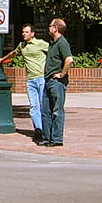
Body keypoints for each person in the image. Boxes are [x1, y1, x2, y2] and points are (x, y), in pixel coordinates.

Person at [0, 23, 48, 143]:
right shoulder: (22, 46)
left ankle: (46, 130)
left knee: (43, 105)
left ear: (32, 34)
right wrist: (1, 59)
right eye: (23, 32)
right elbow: (13, 53)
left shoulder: (41, 44)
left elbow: (53, 53)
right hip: (30, 80)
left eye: (26, 32)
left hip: (42, 78)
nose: (24, 34)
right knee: (34, 106)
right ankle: (38, 130)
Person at [40, 18, 73, 147]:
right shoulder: (52, 43)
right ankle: (47, 138)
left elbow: (69, 60)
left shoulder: (62, 43)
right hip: (48, 80)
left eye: (50, 26)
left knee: (57, 111)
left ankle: (57, 139)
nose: (48, 28)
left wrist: (62, 74)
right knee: (45, 111)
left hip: (56, 82)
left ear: (56, 28)